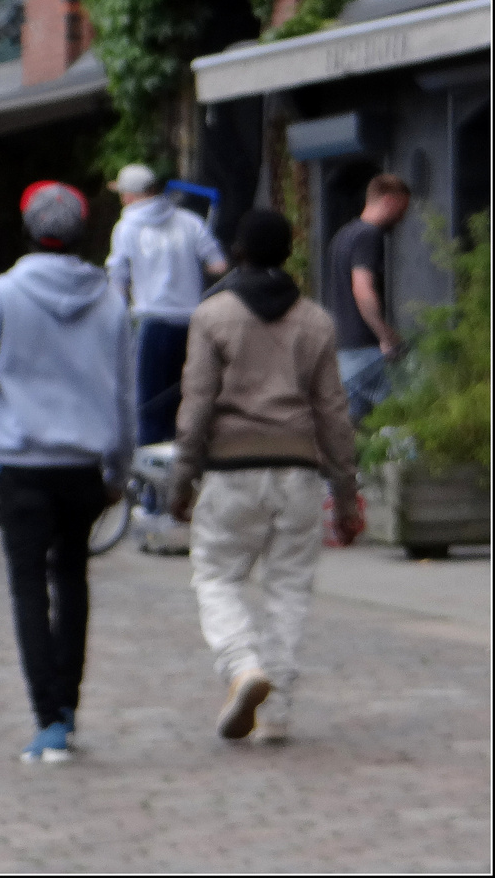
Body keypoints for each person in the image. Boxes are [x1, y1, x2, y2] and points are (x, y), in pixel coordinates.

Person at [0, 182, 135, 764]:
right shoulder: (110, 300)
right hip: (84, 469)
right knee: (73, 580)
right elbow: (124, 394)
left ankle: (47, 719)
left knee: (27, 586)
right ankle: (66, 708)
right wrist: (120, 465)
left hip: (20, 466)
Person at [171, 210, 360, 745]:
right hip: (299, 470)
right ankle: (276, 710)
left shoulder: (212, 317)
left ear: (237, 252)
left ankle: (242, 664)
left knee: (216, 575)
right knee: (290, 588)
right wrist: (346, 492)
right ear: (287, 253)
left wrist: (182, 479)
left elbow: (197, 405)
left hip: (231, 471)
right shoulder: (317, 322)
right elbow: (333, 413)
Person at [105, 164, 228, 445]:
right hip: (192, 324)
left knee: (149, 404)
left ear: (129, 196)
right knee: (189, 402)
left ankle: (150, 479)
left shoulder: (125, 228)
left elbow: (118, 278)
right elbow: (218, 265)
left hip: (152, 324)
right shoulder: (189, 221)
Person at [324, 173, 411, 421]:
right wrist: (385, 336)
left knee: (352, 425)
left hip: (345, 347)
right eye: (402, 207)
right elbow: (363, 288)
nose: (403, 217)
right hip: (366, 348)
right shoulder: (368, 236)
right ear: (389, 200)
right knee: (401, 419)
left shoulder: (344, 235)